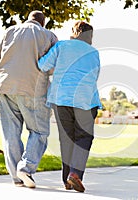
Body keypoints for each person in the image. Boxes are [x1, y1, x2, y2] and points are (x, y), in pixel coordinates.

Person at [0, 10, 58, 188]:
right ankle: (25, 169)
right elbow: (55, 64)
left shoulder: (9, 32)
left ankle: (17, 179)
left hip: (5, 87)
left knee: (11, 133)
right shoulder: (49, 35)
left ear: (27, 19)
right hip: (33, 89)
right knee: (40, 131)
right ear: (43, 23)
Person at [38, 21, 101, 192]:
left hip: (61, 98)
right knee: (83, 138)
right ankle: (74, 174)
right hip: (85, 101)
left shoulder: (61, 46)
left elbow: (43, 65)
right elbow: (94, 75)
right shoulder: (94, 52)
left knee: (67, 139)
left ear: (74, 32)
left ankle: (67, 180)